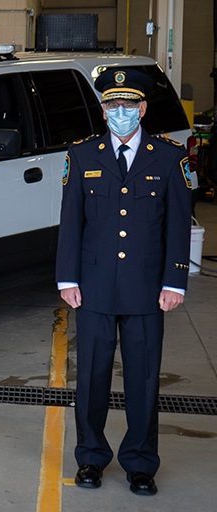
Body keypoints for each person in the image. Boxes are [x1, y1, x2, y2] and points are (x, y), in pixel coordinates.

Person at [57, 68, 191, 496]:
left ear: (143, 108)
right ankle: (91, 458)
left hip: (147, 288)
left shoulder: (168, 156)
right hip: (93, 286)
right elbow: (70, 223)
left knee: (144, 379)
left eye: (129, 105)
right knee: (92, 379)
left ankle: (140, 463)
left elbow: (178, 227)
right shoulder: (81, 156)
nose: (121, 112)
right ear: (102, 110)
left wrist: (176, 281)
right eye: (113, 105)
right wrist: (67, 278)